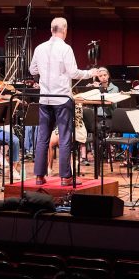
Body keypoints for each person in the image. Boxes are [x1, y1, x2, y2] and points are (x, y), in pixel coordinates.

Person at [30, 17, 97, 187]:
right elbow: (74, 73)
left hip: (45, 98)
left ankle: (39, 176)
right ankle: (65, 177)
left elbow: (32, 70)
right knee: (65, 137)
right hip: (61, 98)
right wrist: (90, 73)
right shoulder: (66, 48)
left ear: (51, 29)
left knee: (42, 137)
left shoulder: (39, 48)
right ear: (65, 30)